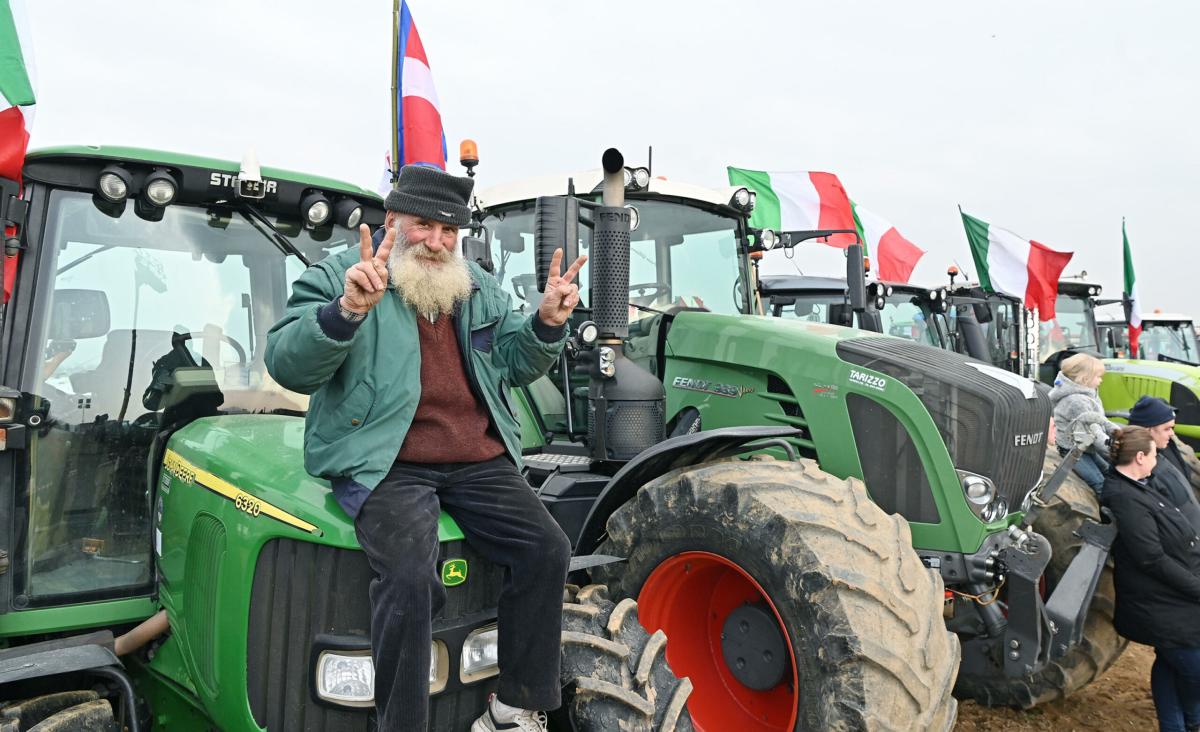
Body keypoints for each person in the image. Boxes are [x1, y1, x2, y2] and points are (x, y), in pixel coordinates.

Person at [265, 165, 587, 732]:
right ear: (392, 220)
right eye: (424, 226)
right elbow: (287, 364)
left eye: (449, 231)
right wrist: (344, 315)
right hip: (388, 459)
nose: (437, 243)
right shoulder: (343, 275)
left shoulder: (476, 285)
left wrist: (544, 324)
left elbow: (512, 363)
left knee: (548, 549)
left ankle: (513, 708)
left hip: (475, 458)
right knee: (411, 575)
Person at [1103, 426, 1200, 732]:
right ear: (1141, 457)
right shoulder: (1125, 497)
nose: (1159, 459)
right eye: (1155, 454)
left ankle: (1178, 725)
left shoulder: (1137, 486)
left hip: (1166, 597)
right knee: (1189, 664)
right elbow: (1151, 558)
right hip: (1157, 601)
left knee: (1171, 662)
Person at [1050, 353, 1119, 495]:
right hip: (1072, 450)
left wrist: (1116, 432)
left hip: (1086, 447)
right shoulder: (1077, 402)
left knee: (1108, 471)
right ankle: (1104, 513)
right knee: (1098, 481)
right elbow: (1094, 432)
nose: (1101, 381)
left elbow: (1100, 420)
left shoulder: (1089, 394)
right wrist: (1114, 450)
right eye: (1098, 377)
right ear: (1085, 378)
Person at [1129, 396, 1200, 533]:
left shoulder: (1164, 450)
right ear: (1148, 430)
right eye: (1167, 429)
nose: (1172, 434)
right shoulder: (1144, 470)